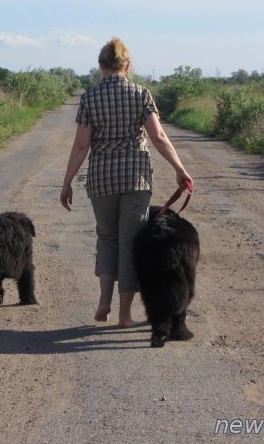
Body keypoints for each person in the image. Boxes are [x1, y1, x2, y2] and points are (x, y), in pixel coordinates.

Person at [59, 37, 193, 327]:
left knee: (106, 238)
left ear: (100, 66)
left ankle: (104, 300)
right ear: (127, 65)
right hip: (135, 178)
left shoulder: (89, 98)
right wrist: (180, 169)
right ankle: (124, 315)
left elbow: (82, 145)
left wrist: (67, 182)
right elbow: (158, 137)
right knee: (131, 243)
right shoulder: (141, 94)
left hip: (101, 180)